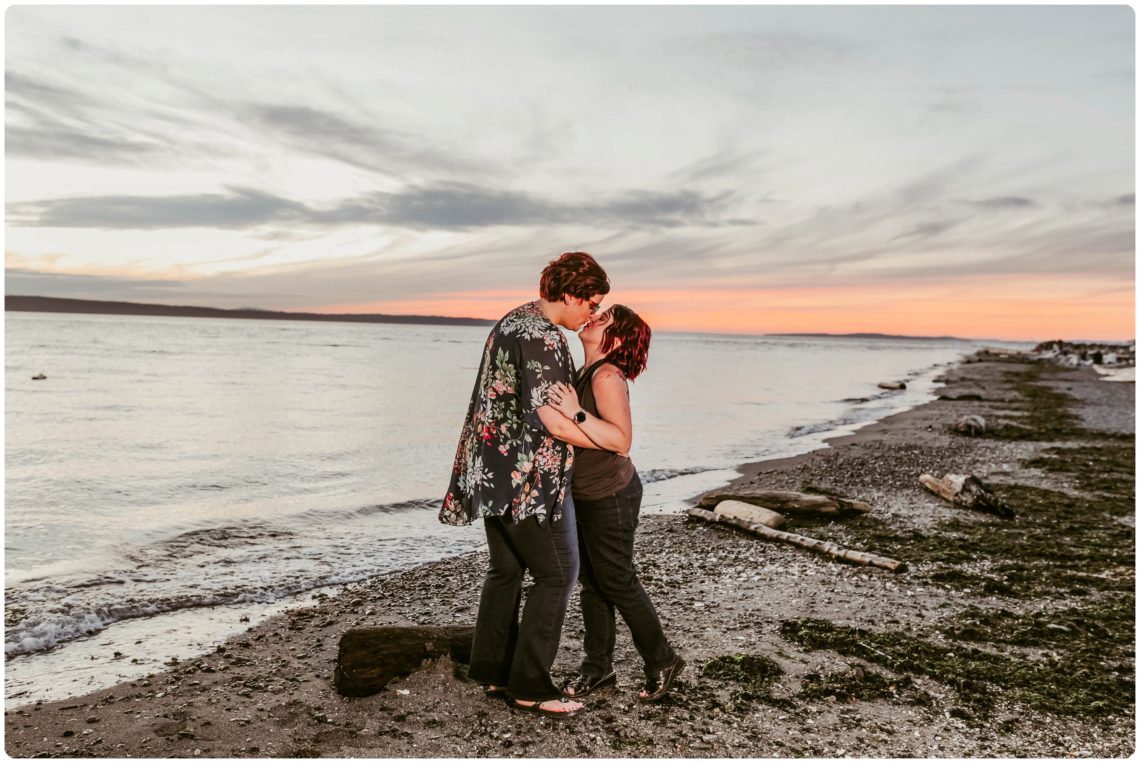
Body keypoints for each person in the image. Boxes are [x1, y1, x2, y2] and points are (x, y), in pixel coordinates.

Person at [439, 251, 610, 717]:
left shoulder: (512, 321)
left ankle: (494, 672)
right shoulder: (545, 338)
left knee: (507, 571)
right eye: (591, 304)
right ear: (572, 294)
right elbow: (552, 419)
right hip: (528, 479)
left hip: (492, 472)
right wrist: (610, 440)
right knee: (558, 574)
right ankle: (531, 686)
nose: (592, 313)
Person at [547, 305, 685, 703]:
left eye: (603, 319)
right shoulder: (585, 372)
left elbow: (621, 441)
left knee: (617, 580)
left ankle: (662, 659)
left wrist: (573, 411)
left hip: (612, 494)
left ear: (617, 338)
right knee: (593, 582)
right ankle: (599, 668)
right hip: (587, 491)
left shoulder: (607, 376)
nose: (592, 319)